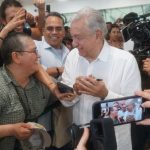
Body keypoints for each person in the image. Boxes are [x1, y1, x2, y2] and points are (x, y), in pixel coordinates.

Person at [60, 7, 141, 150]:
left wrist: (105, 94)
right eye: (72, 37)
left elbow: (133, 113)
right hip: (80, 139)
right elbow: (65, 101)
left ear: (97, 35)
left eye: (78, 37)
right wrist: (75, 92)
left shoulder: (125, 61)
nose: (73, 43)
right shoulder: (73, 56)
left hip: (113, 141)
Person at [35, 12, 72, 149]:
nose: (54, 32)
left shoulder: (69, 52)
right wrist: (60, 70)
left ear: (64, 30)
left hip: (63, 116)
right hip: (41, 117)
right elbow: (36, 71)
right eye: (50, 28)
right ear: (43, 30)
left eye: (59, 28)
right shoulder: (35, 47)